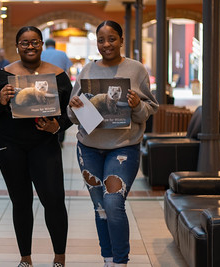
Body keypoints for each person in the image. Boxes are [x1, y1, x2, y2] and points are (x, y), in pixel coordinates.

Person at [67, 21, 158, 267]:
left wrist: (136, 106)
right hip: (89, 147)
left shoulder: (136, 70)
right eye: (101, 40)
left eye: (112, 39)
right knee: (100, 207)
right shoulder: (86, 71)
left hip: (123, 146)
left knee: (113, 201)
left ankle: (120, 261)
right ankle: (107, 259)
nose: (106, 45)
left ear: (121, 40)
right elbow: (73, 114)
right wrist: (73, 107)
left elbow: (149, 109)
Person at [0, 26, 73, 267]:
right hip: (10, 146)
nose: (30, 46)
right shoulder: (4, 75)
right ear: (17, 46)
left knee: (53, 200)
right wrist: (1, 101)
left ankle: (59, 258)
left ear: (42, 45)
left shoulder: (58, 76)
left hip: (44, 145)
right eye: (25, 43)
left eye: (35, 42)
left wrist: (56, 126)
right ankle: (25, 258)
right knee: (20, 201)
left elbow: (71, 113)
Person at [41, 38, 73, 146]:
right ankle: (60, 138)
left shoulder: (42, 53)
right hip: (60, 84)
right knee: (61, 112)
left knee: (46, 110)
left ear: (45, 45)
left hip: (44, 86)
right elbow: (67, 71)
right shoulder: (62, 54)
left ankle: (45, 133)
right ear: (55, 45)